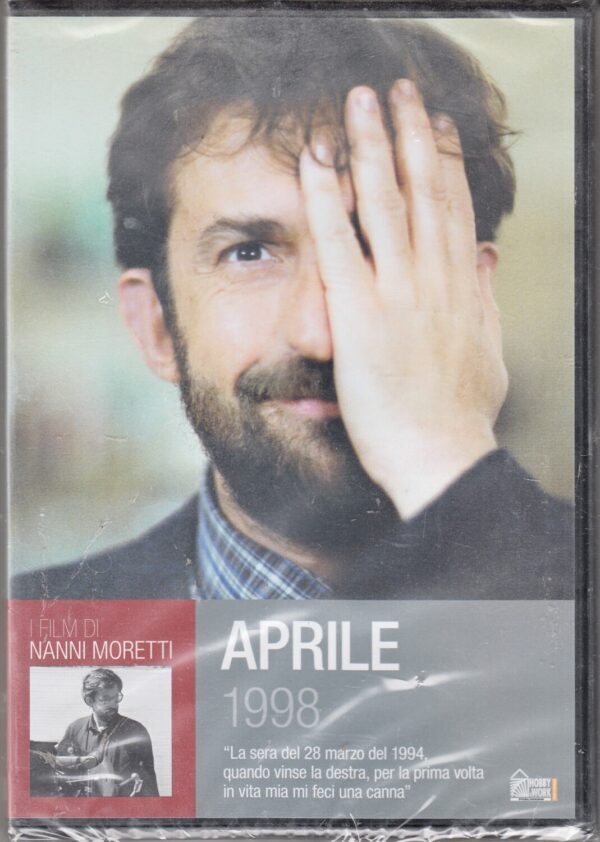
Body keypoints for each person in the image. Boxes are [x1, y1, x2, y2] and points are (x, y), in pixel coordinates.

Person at [12, 17, 573, 601]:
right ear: (155, 324)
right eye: (248, 252)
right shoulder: (32, 633)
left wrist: (446, 469)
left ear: (475, 303)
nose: (317, 335)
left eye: (376, 245)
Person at [42, 668, 159, 797]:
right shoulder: (74, 729)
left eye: (116, 697)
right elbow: (61, 776)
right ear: (89, 700)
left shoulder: (136, 731)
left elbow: (150, 785)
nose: (113, 704)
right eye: (105, 699)